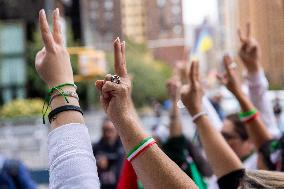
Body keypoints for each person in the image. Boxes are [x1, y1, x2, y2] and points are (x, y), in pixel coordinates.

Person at [36, 8, 197, 189]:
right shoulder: (103, 148)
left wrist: (61, 84)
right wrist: (124, 116)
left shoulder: (122, 153)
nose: (155, 147)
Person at [180, 60, 284, 189]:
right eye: (221, 137)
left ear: (250, 142)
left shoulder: (253, 171)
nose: (222, 142)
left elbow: (232, 179)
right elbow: (209, 124)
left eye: (228, 137)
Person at [92, 118, 124, 189]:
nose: (108, 134)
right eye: (106, 130)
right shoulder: (96, 148)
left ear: (117, 131)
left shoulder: (124, 148)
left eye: (111, 130)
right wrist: (98, 165)